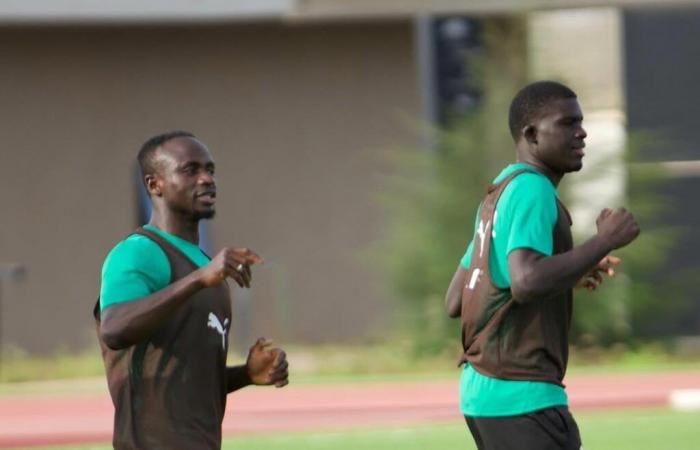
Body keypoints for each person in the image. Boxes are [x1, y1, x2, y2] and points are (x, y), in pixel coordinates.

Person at [445, 81, 640, 450]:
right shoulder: (533, 190)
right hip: (523, 396)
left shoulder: (500, 191)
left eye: (581, 122)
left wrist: (571, 271)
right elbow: (527, 281)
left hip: (482, 396)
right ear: (532, 135)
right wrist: (604, 241)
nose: (581, 132)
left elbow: (457, 299)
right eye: (568, 123)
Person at [94, 131, 289, 450]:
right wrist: (198, 279)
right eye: (190, 170)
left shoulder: (202, 264)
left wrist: (246, 375)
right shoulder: (139, 252)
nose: (206, 179)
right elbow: (114, 329)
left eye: (210, 170)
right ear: (154, 184)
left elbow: (185, 380)